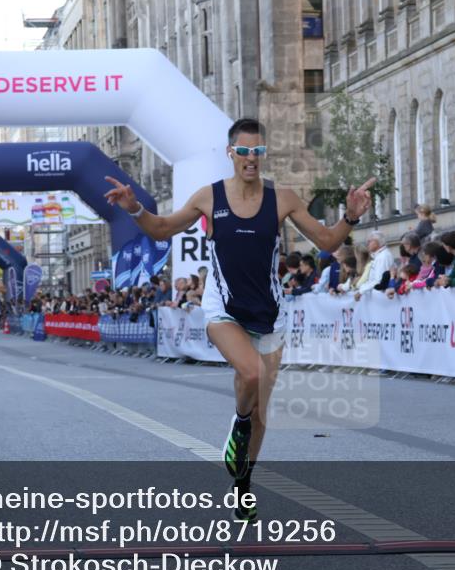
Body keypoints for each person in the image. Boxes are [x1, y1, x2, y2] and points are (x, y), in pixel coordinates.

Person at [104, 117, 374, 522]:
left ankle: (243, 485)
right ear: (230, 153)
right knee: (251, 375)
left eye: (258, 151)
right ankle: (239, 423)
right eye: (244, 151)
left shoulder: (282, 198)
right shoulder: (209, 197)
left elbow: (326, 240)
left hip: (270, 312)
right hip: (223, 308)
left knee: (262, 410)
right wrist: (135, 208)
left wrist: (350, 217)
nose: (251, 159)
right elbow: (161, 230)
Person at [355, 231, 394, 298]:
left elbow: (378, 280)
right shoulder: (379, 256)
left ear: (377, 242)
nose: (367, 243)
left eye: (369, 241)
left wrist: (361, 291)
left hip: (381, 297)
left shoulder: (383, 256)